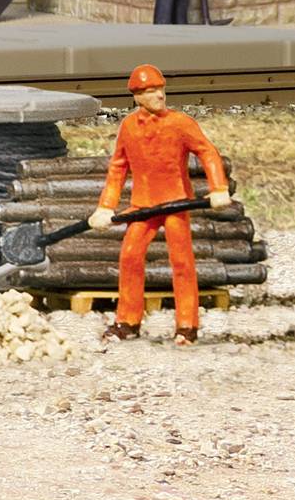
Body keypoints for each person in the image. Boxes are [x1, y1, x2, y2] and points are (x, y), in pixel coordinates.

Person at [90, 64, 233, 344]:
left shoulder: (180, 123)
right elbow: (118, 167)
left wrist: (218, 188)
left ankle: (186, 325)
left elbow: (208, 152)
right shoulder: (128, 127)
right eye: (152, 91)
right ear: (137, 96)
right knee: (130, 256)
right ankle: (127, 321)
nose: (159, 96)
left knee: (181, 261)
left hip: (175, 203)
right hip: (142, 205)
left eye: (161, 89)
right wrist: (106, 206)